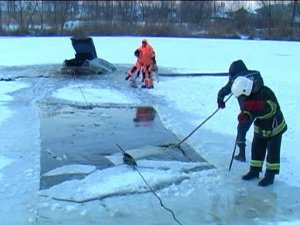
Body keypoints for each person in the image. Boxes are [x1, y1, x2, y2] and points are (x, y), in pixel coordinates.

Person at [231, 76, 287, 186]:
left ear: (245, 90)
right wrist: (246, 115)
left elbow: (271, 110)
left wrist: (255, 107)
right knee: (256, 148)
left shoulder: (265, 92)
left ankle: (270, 176)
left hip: (274, 128)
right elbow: (249, 110)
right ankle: (254, 171)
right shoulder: (248, 96)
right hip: (261, 127)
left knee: (272, 153)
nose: (241, 98)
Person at [217, 60, 264, 162]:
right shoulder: (257, 74)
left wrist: (220, 102)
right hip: (264, 108)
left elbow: (222, 92)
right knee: (263, 131)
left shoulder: (235, 80)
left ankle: (242, 154)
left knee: (241, 129)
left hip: (248, 110)